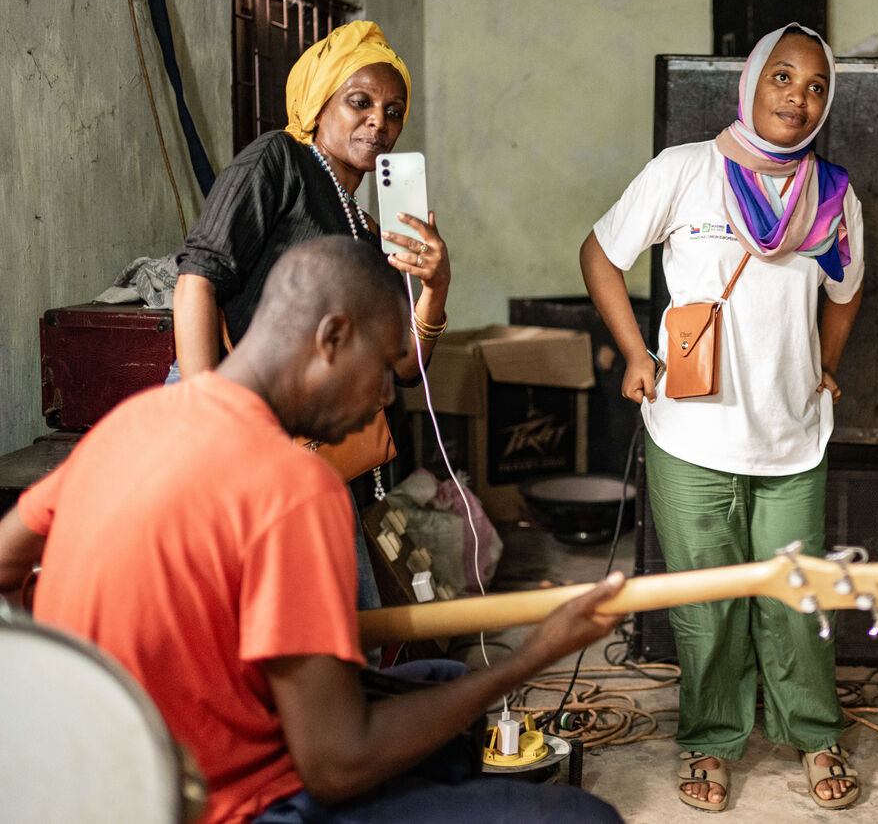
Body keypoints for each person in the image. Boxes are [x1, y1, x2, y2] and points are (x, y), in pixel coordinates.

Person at [0, 237, 625, 824]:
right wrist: (535, 655)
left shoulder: (131, 423)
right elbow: (336, 765)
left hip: (115, 784)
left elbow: (5, 562)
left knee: (446, 685)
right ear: (332, 337)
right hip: (234, 805)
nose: (386, 395)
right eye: (384, 365)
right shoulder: (294, 485)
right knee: (585, 817)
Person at [580, 23, 864, 812]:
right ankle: (710, 739)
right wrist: (635, 353)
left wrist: (826, 363)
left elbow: (846, 292)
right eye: (783, 77)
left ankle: (814, 731)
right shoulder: (685, 170)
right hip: (691, 432)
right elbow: (600, 254)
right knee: (707, 606)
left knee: (796, 601)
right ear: (751, 82)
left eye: (815, 86)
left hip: (791, 435)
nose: (798, 97)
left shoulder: (833, 194)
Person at [172, 20, 452, 611]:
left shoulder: (370, 227)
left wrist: (435, 286)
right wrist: (207, 421)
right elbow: (198, 279)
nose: (379, 122)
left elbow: (406, 369)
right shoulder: (278, 161)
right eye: (360, 102)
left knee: (343, 614)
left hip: (315, 443)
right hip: (237, 420)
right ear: (319, 104)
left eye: (393, 112)